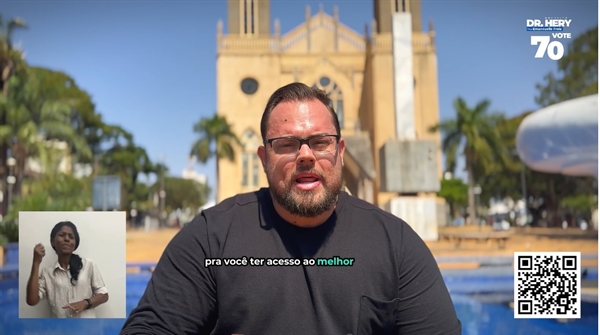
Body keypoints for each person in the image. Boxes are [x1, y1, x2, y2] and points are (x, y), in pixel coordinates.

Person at [121, 83, 462, 334]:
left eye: (320, 142)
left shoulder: (395, 244)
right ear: (263, 159)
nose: (305, 155)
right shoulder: (211, 238)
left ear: (340, 152)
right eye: (286, 145)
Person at [26, 221, 109, 318]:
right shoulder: (47, 273)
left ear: (75, 243)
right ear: (53, 241)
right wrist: (36, 262)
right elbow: (31, 300)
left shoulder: (88, 265)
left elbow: (104, 295)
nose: (66, 239)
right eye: (62, 235)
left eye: (71, 237)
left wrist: (86, 303)